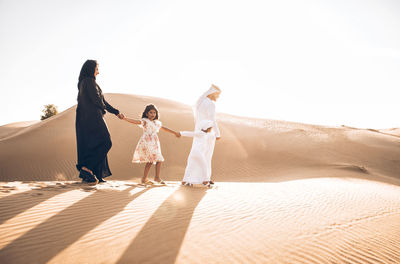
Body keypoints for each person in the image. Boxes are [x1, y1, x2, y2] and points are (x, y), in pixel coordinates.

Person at [75, 60, 124, 184]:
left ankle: (95, 173)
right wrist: (105, 109)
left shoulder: (87, 82)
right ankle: (87, 169)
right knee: (106, 142)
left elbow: (102, 100)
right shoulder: (88, 81)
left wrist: (116, 112)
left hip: (87, 118)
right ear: (91, 69)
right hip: (92, 117)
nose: (98, 71)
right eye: (97, 68)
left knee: (96, 144)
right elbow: (97, 100)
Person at [123, 104, 180, 185]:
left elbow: (164, 128)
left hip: (155, 142)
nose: (153, 114)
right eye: (150, 112)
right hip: (147, 142)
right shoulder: (145, 121)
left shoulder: (156, 123)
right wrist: (125, 118)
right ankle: (151, 178)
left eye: (154, 112)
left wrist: (174, 132)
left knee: (155, 160)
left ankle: (150, 178)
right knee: (154, 159)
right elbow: (136, 122)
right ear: (146, 113)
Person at [192, 84, 222, 184]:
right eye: (217, 94)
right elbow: (212, 119)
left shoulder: (201, 103)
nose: (218, 97)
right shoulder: (210, 104)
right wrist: (217, 133)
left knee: (198, 154)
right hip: (208, 133)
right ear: (212, 93)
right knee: (207, 155)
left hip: (199, 132)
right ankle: (205, 178)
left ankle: (197, 178)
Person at [179, 120, 216, 187]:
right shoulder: (201, 133)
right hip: (198, 153)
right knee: (204, 165)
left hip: (193, 152)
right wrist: (181, 133)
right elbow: (191, 133)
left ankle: (184, 181)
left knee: (190, 166)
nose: (211, 129)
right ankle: (206, 181)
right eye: (211, 128)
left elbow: (211, 137)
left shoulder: (205, 135)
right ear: (207, 128)